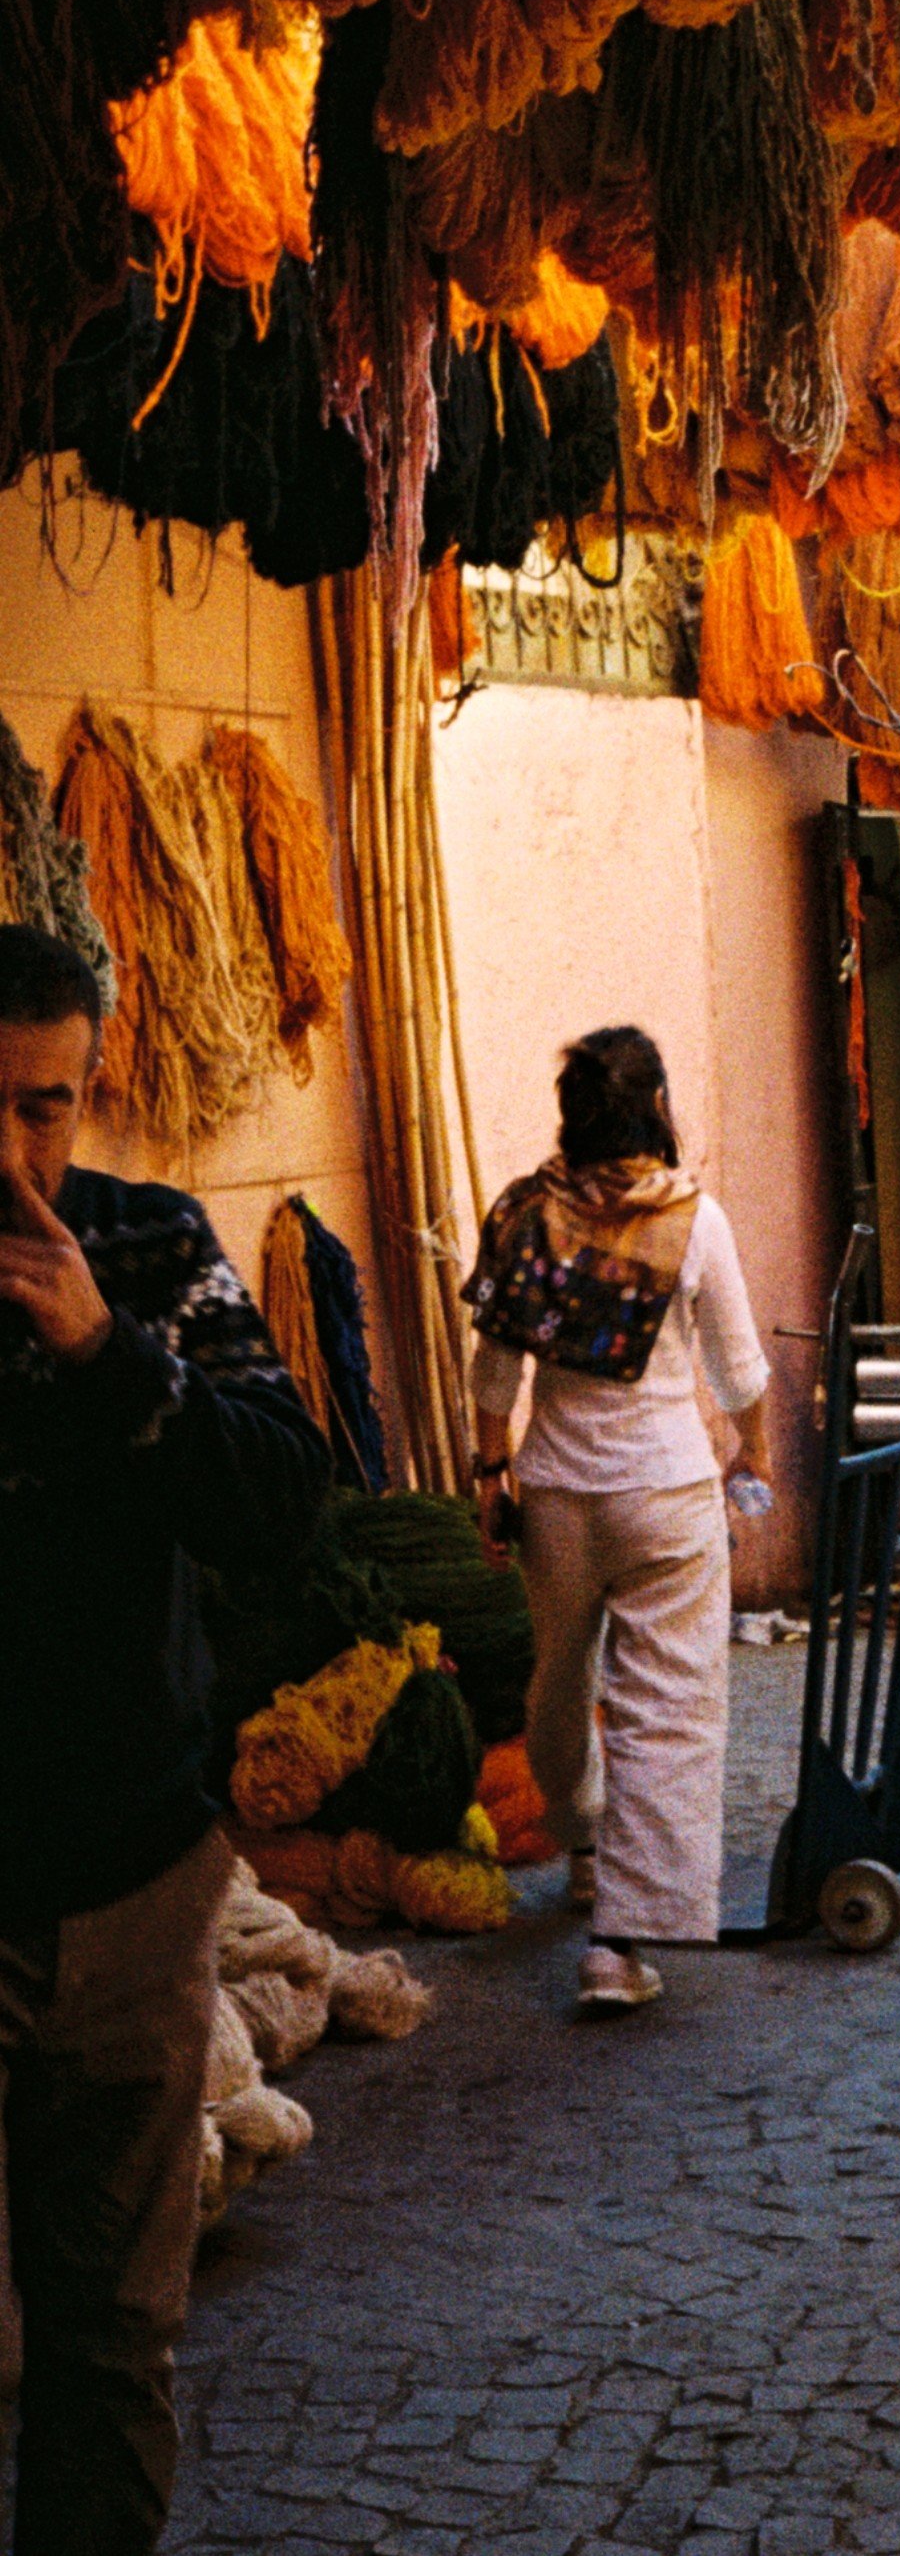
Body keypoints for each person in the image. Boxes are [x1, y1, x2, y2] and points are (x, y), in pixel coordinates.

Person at [0, 921, 328, 2555]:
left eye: (43, 1107)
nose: (11, 1153)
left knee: (110, 2345)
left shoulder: (147, 1244)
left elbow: (282, 1491)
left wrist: (105, 1352)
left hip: (131, 1881)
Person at [468, 1025, 771, 2014]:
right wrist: (752, 1452)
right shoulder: (693, 1217)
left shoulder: (521, 1211)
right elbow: (737, 1368)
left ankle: (585, 1838)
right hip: (666, 1493)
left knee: (558, 1680)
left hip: (556, 1492)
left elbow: (494, 1367)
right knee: (667, 1708)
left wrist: (488, 1472)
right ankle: (620, 1940)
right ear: (657, 1107)